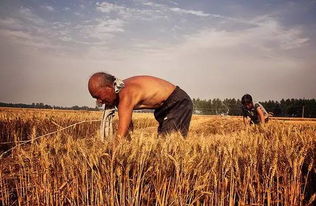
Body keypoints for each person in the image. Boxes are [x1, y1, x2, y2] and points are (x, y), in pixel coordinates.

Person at [88, 72, 193, 140]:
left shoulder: (125, 94)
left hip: (177, 103)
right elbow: (128, 127)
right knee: (163, 142)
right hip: (163, 108)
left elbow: (121, 136)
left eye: (98, 96)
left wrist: (112, 154)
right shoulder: (119, 94)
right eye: (95, 99)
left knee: (169, 144)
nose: (99, 101)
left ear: (109, 87)